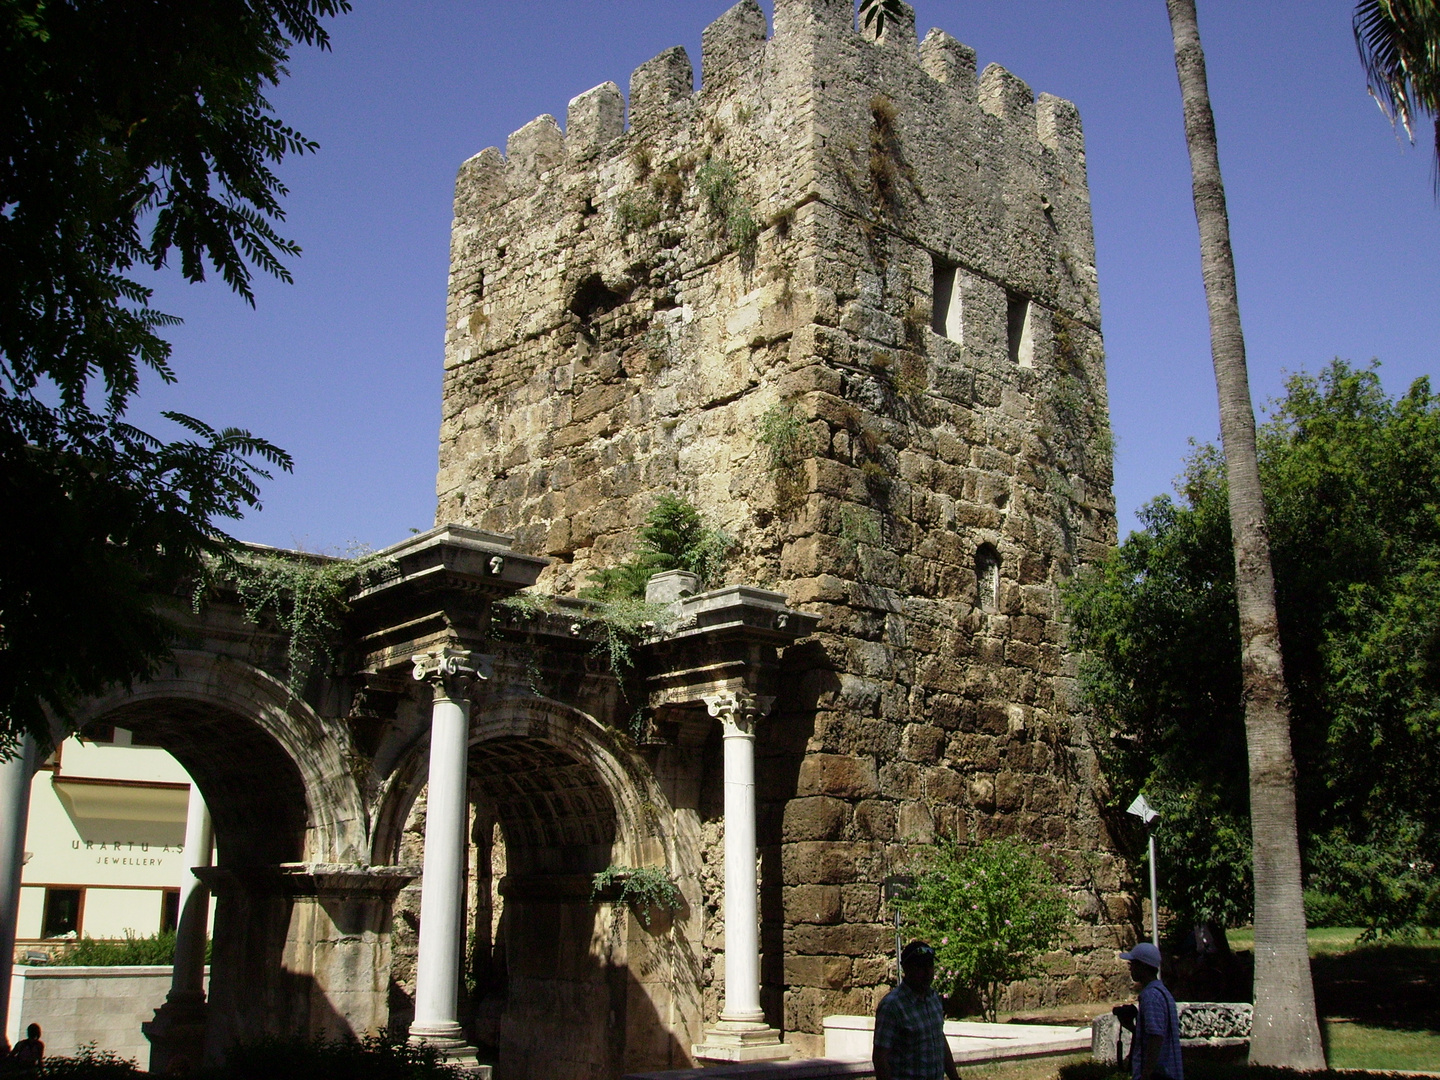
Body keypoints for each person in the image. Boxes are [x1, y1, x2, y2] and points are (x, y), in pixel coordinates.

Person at [874, 940, 961, 1080]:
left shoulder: (933, 998)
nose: (927, 972)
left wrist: (955, 1077)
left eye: (930, 965)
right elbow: (880, 1058)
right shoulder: (892, 1006)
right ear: (907, 969)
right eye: (920, 967)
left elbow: (939, 1039)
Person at [1120, 942, 1182, 1080]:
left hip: (1159, 1074)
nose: (1130, 969)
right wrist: (1132, 1028)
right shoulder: (1163, 992)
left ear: (1142, 966)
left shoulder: (1150, 996)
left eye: (1132, 964)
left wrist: (1146, 1073)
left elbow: (1156, 1037)